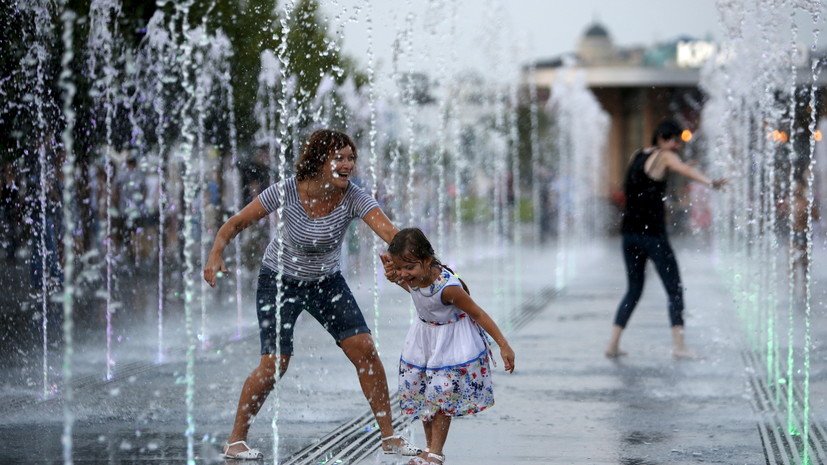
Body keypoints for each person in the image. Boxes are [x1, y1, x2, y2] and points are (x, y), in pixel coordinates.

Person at [203, 129, 420, 460]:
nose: (348, 164)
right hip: (279, 279)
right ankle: (236, 439)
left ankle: (388, 436)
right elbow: (235, 223)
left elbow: (390, 232)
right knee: (275, 363)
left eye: (351, 158)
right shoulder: (288, 190)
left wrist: (421, 262)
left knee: (365, 350)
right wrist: (215, 254)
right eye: (340, 158)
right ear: (320, 162)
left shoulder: (354, 197)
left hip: (326, 282)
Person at [380, 227, 515, 465]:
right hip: (424, 339)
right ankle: (428, 448)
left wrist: (504, 346)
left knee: (441, 394)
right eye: (400, 267)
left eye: (409, 267)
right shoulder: (411, 278)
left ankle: (436, 453)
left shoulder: (449, 287)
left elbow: (478, 314)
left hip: (450, 341)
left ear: (427, 260)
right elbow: (415, 291)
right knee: (424, 393)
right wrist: (395, 277)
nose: (404, 273)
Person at [605, 120, 726, 359]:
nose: (676, 146)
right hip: (653, 235)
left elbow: (643, 181)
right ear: (662, 139)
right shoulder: (665, 156)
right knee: (675, 290)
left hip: (629, 234)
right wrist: (710, 182)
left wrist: (678, 165)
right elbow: (685, 171)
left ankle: (613, 344)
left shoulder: (637, 155)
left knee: (633, 290)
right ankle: (679, 346)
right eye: (674, 141)